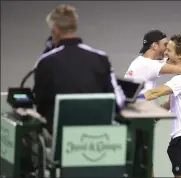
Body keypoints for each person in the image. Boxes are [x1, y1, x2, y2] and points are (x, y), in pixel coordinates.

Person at [33, 4, 126, 135]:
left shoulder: (44, 62)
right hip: (99, 139)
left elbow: (39, 106)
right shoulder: (101, 58)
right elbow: (118, 102)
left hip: (58, 139)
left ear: (56, 30)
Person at [144, 35, 181, 178]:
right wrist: (155, 118)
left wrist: (126, 101)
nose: (166, 52)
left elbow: (155, 92)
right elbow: (169, 103)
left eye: (169, 50)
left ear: (180, 54)